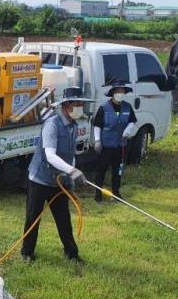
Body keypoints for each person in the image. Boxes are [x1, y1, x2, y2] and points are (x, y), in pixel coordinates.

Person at [21, 86, 93, 264]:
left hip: (59, 182)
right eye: (78, 104)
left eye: (82, 104)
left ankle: (71, 254)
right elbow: (50, 155)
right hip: (39, 179)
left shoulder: (73, 126)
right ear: (67, 105)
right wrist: (72, 171)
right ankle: (27, 253)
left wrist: (69, 177)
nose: (81, 107)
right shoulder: (52, 125)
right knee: (33, 218)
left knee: (63, 219)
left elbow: (70, 154)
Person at [92, 80, 138, 202]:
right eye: (118, 91)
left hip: (120, 145)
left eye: (122, 91)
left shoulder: (127, 107)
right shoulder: (104, 108)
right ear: (113, 93)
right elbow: (97, 125)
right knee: (101, 170)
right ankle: (98, 194)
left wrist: (128, 129)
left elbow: (132, 121)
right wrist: (97, 141)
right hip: (106, 145)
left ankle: (116, 193)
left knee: (118, 170)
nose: (120, 93)